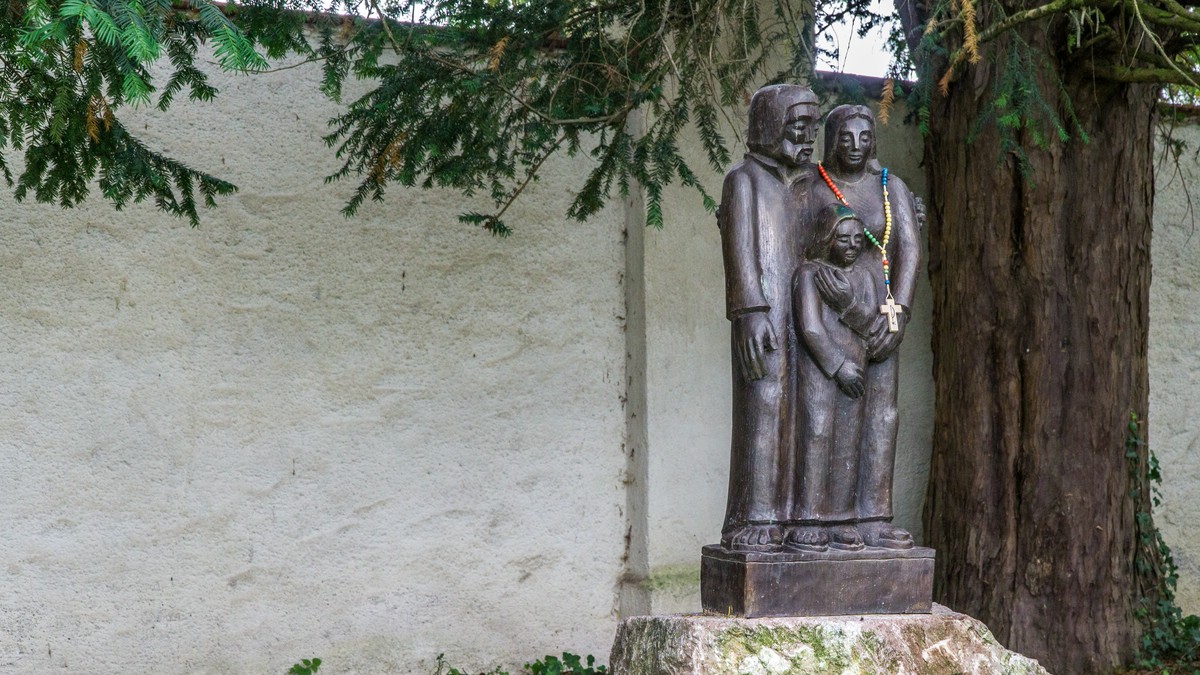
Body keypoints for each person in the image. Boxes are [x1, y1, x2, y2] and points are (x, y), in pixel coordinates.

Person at [804, 104, 920, 549]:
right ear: (832, 141)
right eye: (845, 138)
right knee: (830, 418)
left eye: (864, 138)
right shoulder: (815, 186)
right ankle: (826, 519)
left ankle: (874, 516)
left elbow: (909, 250)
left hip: (880, 317)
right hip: (828, 314)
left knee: (881, 415)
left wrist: (902, 312)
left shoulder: (891, 188)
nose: (855, 147)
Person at [717, 84, 821, 552]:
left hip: (811, 313)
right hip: (765, 314)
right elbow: (740, 251)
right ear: (769, 127)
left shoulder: (814, 181)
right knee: (765, 401)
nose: (808, 138)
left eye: (812, 129)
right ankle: (756, 515)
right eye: (798, 128)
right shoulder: (744, 180)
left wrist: (900, 218)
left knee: (808, 408)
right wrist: (749, 310)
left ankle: (802, 516)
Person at [791, 204, 878, 550]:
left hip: (856, 370)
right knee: (817, 433)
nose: (852, 245)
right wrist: (837, 365)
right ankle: (809, 516)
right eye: (843, 238)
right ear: (827, 239)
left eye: (858, 239)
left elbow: (871, 321)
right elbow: (810, 327)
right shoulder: (810, 274)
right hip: (821, 371)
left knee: (848, 440)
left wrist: (854, 364)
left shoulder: (867, 276)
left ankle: (842, 517)